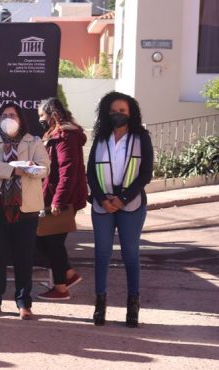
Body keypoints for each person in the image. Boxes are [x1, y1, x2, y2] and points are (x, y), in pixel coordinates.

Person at [0, 102, 50, 320]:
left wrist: (28, 168)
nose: (8, 119)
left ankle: (24, 304)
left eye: (13, 115)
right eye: (4, 115)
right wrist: (14, 169)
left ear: (21, 120)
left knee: (24, 257)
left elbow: (44, 169)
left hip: (25, 208)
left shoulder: (34, 141)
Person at [87, 91, 153, 328]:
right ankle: (100, 305)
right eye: (114, 111)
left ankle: (132, 307)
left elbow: (146, 173)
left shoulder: (141, 137)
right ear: (107, 112)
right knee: (102, 254)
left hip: (131, 203)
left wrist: (122, 199)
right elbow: (91, 173)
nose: (118, 114)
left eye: (123, 111)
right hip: (102, 202)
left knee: (130, 254)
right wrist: (103, 199)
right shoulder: (100, 138)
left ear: (131, 113)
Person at [35, 98, 87, 301]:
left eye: (42, 115)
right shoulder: (57, 135)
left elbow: (68, 172)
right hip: (53, 196)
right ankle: (68, 275)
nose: (40, 119)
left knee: (52, 243)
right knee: (45, 241)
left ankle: (61, 288)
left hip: (61, 199)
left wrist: (58, 201)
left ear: (52, 114)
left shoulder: (65, 136)